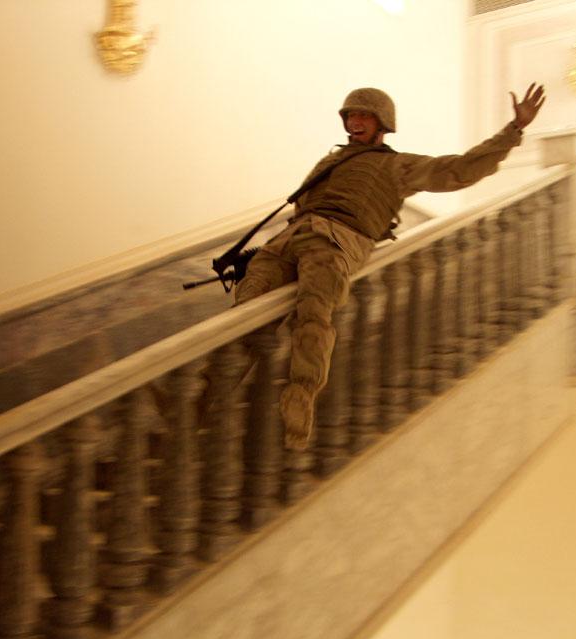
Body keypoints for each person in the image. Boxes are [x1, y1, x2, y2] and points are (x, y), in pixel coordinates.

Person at [234, 84, 546, 450]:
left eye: (363, 115)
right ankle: (205, 392)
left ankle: (300, 399)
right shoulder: (329, 161)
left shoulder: (397, 165)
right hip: (288, 241)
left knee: (314, 314)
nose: (354, 122)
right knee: (243, 316)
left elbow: (459, 169)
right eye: (350, 115)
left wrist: (513, 131)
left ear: (382, 122)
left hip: (336, 242)